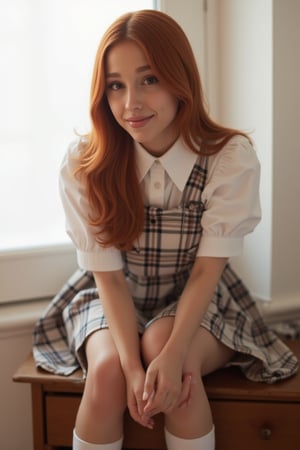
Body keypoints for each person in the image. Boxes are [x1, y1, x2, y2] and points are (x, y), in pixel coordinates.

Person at [33, 9, 298, 450]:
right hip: (114, 296)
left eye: (149, 79)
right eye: (116, 85)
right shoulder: (87, 163)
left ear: (180, 80)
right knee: (107, 372)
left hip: (197, 297)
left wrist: (171, 355)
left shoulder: (227, 158)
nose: (130, 103)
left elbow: (205, 275)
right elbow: (109, 279)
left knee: (172, 358)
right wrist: (132, 370)